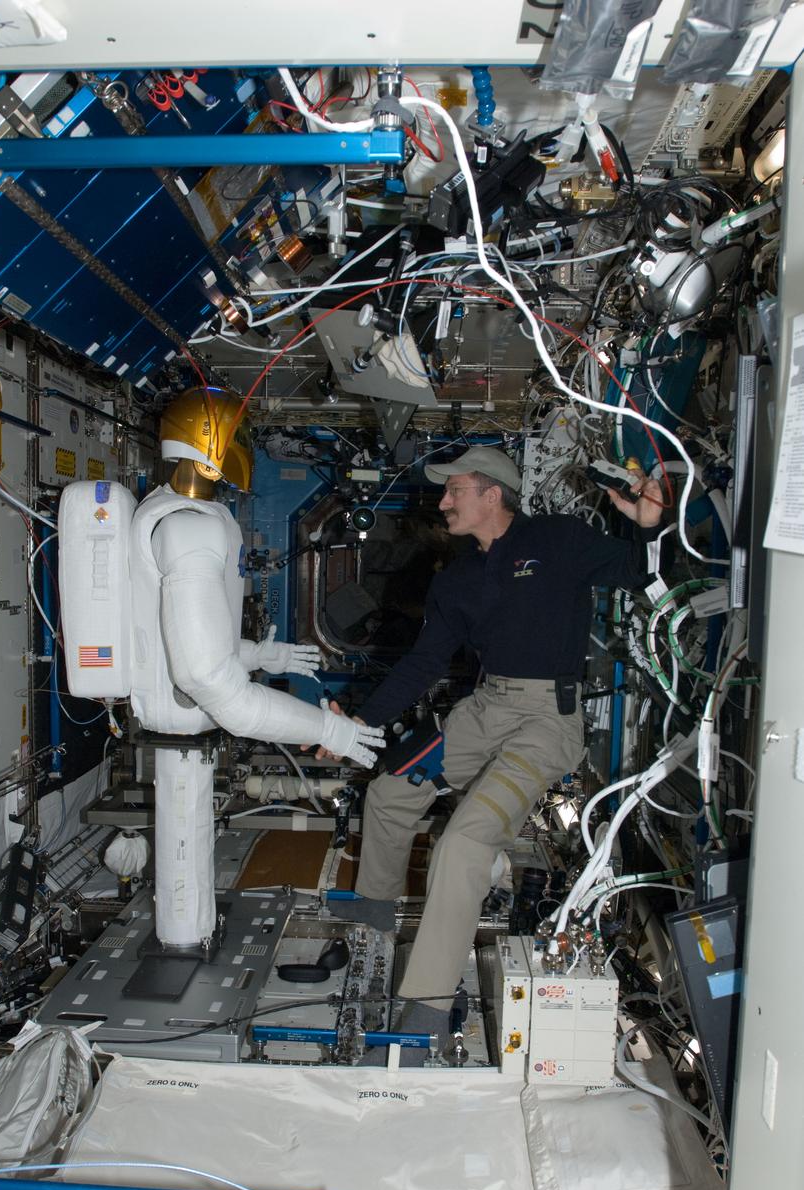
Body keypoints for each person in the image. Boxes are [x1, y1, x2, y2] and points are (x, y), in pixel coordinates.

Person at [329, 444, 664, 1050]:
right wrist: (356, 723)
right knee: (387, 793)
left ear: (492, 493)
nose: (444, 501)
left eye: (454, 490)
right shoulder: (455, 579)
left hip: (545, 720)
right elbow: (423, 664)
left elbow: (635, 570)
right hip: (484, 710)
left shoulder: (558, 540)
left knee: (461, 843)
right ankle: (374, 915)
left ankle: (427, 1004)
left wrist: (650, 525)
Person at [61, 387, 383, 950]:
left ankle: (188, 941)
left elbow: (182, 637)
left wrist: (266, 655)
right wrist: (327, 728)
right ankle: (183, 953)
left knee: (192, 850)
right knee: (185, 876)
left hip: (182, 714)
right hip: (187, 716)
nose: (247, 448)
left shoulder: (176, 512)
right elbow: (207, 679)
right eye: (241, 437)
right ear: (213, 444)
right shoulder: (190, 527)